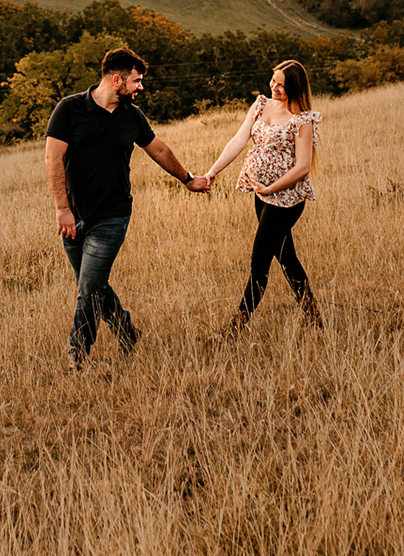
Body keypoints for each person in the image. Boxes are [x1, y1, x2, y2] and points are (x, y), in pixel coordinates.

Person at [45, 47, 210, 367]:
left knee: (89, 287)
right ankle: (126, 331)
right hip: (73, 216)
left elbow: (158, 150)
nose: (140, 87)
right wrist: (62, 209)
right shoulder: (69, 109)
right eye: (136, 81)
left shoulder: (131, 115)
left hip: (113, 215)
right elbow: (53, 160)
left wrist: (188, 179)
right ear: (117, 80)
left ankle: (77, 354)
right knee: (93, 285)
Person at [202, 59, 323, 333]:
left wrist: (272, 188)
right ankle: (313, 315)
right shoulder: (260, 105)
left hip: (286, 200)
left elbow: (303, 167)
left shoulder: (302, 119)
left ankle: (236, 327)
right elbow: (238, 140)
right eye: (273, 81)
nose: (274, 88)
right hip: (262, 194)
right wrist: (212, 172)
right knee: (286, 256)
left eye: (281, 85)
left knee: (260, 261)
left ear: (295, 87)